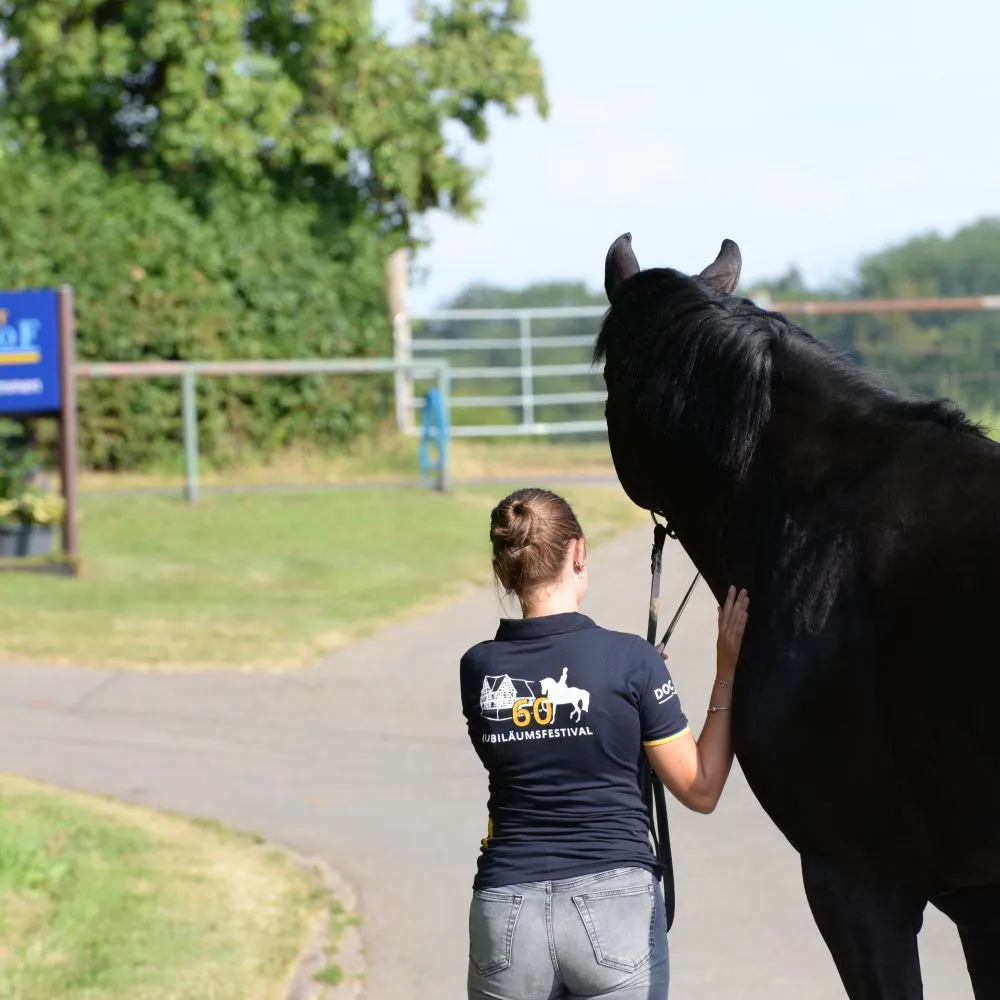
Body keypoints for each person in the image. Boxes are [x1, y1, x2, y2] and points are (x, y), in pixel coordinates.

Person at [459, 487, 749, 1000]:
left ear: (504, 568)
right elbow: (700, 788)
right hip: (614, 905)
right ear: (579, 552)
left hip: (506, 911)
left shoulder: (479, 669)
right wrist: (725, 669)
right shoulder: (631, 661)